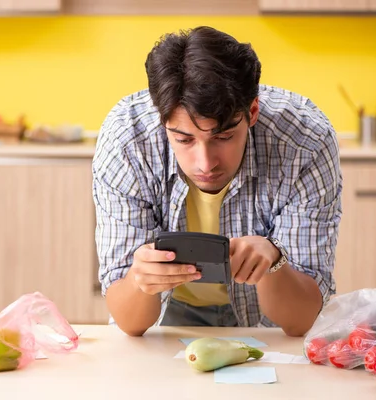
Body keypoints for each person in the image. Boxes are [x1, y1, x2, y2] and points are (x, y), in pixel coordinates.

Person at [91, 26, 342, 338]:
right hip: (164, 320)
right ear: (162, 120)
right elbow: (130, 322)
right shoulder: (127, 142)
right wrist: (140, 280)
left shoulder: (304, 142)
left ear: (252, 112)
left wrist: (274, 262)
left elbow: (301, 321)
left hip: (265, 324)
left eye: (223, 136)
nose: (205, 163)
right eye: (183, 139)